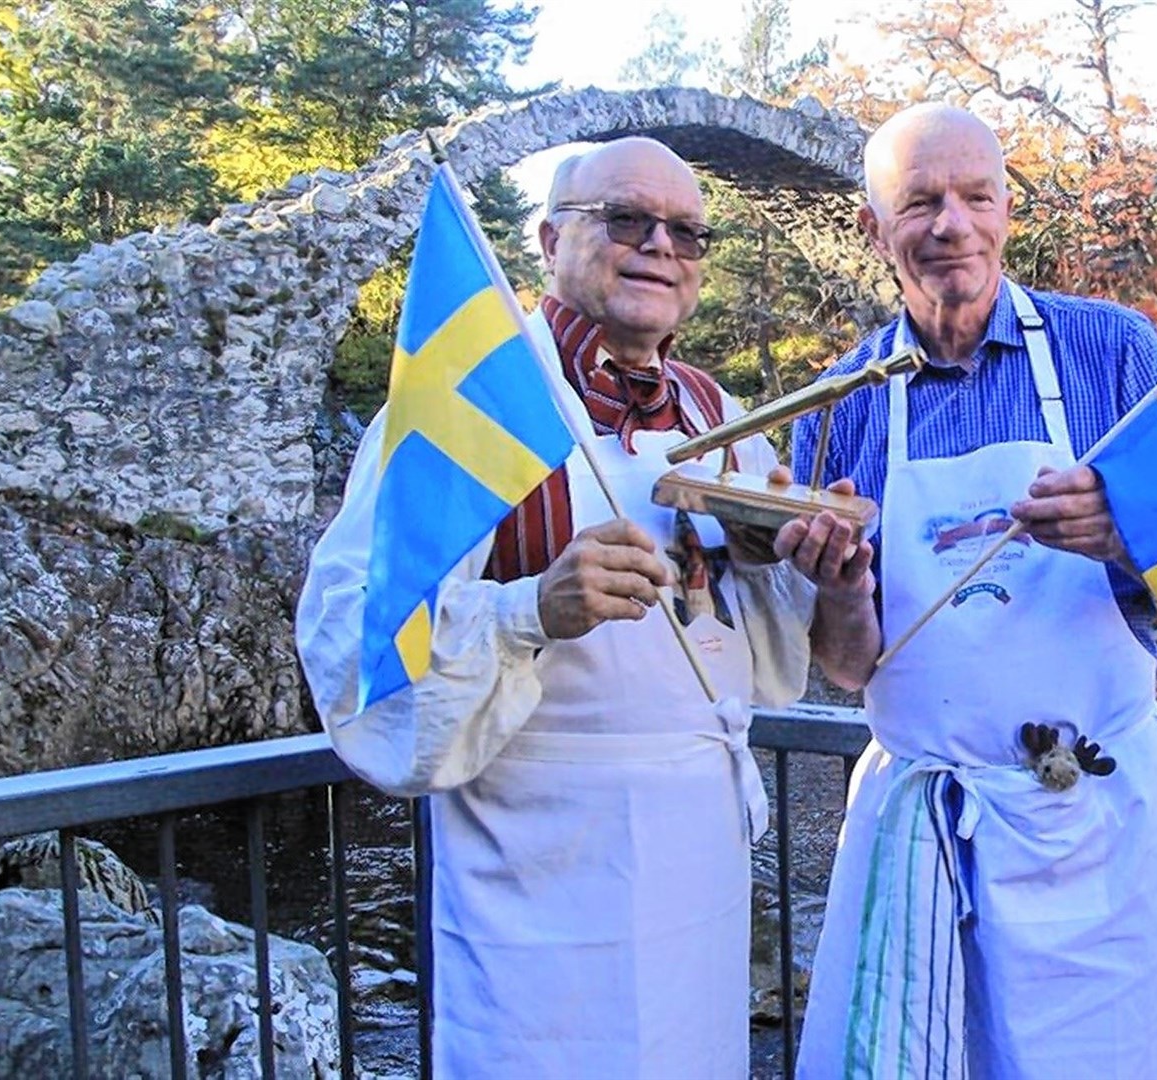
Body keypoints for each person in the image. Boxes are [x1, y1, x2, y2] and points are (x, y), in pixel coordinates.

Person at [298, 137, 839, 1078]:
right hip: (535, 869)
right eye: (626, 219)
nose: (659, 245)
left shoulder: (724, 418)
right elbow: (350, 638)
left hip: (697, 865)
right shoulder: (472, 404)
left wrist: (781, 559)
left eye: (686, 232)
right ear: (549, 239)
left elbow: (759, 666)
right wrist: (531, 611)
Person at [779, 103, 1157, 1078]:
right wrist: (839, 590)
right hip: (918, 816)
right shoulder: (837, 409)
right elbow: (846, 668)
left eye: (975, 197)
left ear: (1008, 211)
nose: (950, 224)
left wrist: (1125, 543)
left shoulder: (1116, 355)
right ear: (877, 229)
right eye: (920, 201)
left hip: (1088, 815)